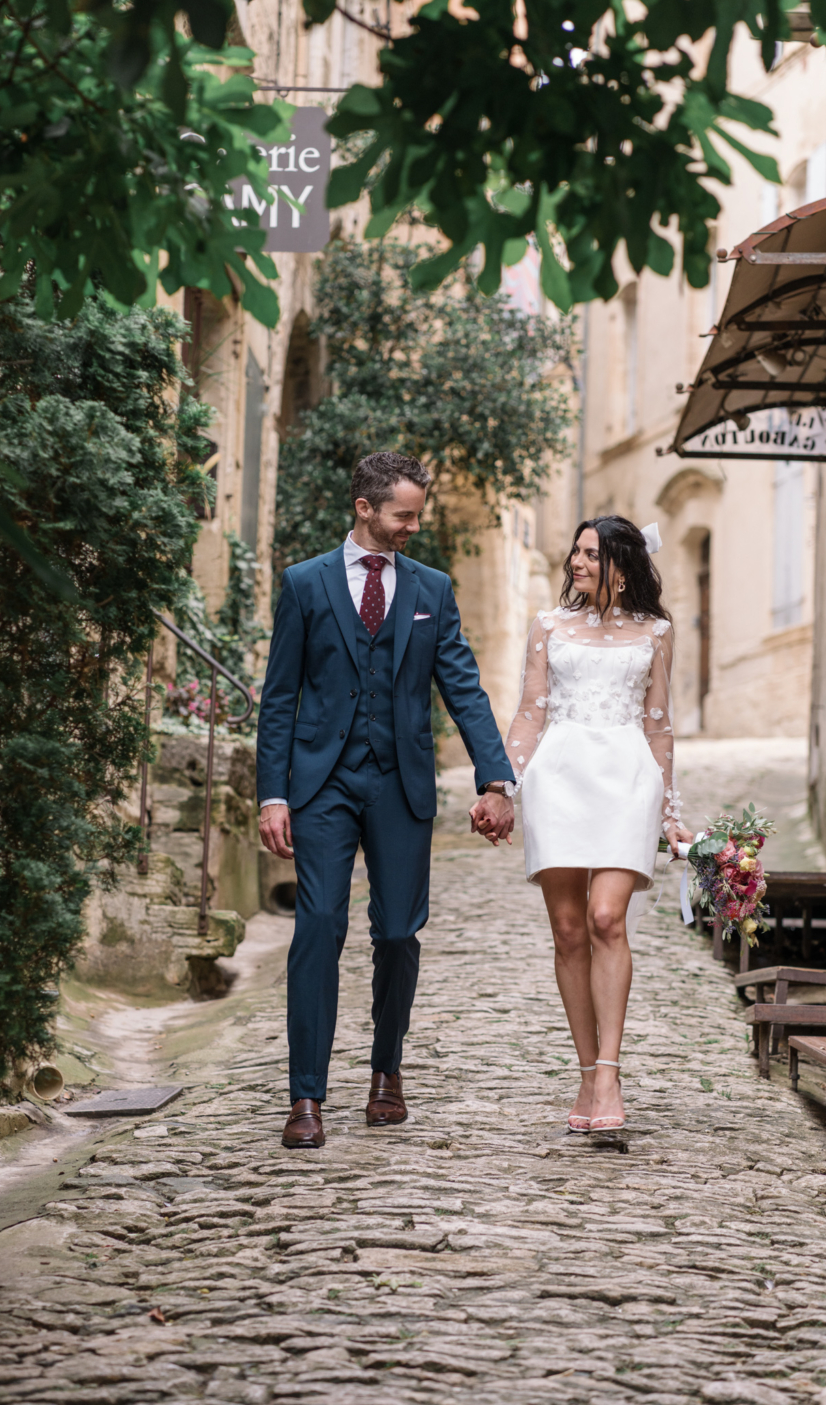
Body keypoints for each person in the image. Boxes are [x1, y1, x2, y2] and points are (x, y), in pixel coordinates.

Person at [256, 450, 517, 1149]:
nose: (413, 528)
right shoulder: (305, 584)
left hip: (400, 783)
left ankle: (385, 1072)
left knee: (398, 932)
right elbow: (280, 699)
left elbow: (463, 686)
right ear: (365, 509)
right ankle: (306, 1095)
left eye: (417, 515)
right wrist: (273, 794)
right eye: (404, 515)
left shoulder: (431, 587)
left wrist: (496, 779)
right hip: (321, 784)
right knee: (318, 926)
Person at [502, 515, 693, 1133]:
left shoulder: (656, 631)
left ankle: (609, 1074)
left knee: (606, 917)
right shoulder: (548, 626)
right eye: (576, 552)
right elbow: (530, 713)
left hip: (628, 778)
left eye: (591, 555)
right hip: (558, 778)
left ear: (622, 566)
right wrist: (506, 786)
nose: (576, 563)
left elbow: (658, 723)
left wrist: (670, 814)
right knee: (567, 929)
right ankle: (587, 1076)